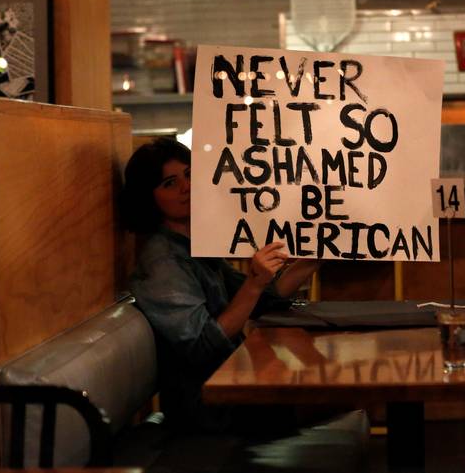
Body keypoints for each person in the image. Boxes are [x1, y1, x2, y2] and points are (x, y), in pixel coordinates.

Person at [121, 137, 318, 433]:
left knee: (329, 389)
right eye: (170, 184)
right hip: (209, 411)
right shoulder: (163, 262)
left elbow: (267, 298)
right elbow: (204, 345)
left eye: (189, 174)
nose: (187, 187)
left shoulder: (194, 245)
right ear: (149, 198)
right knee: (333, 393)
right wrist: (253, 283)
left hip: (234, 392)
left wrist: (317, 257)